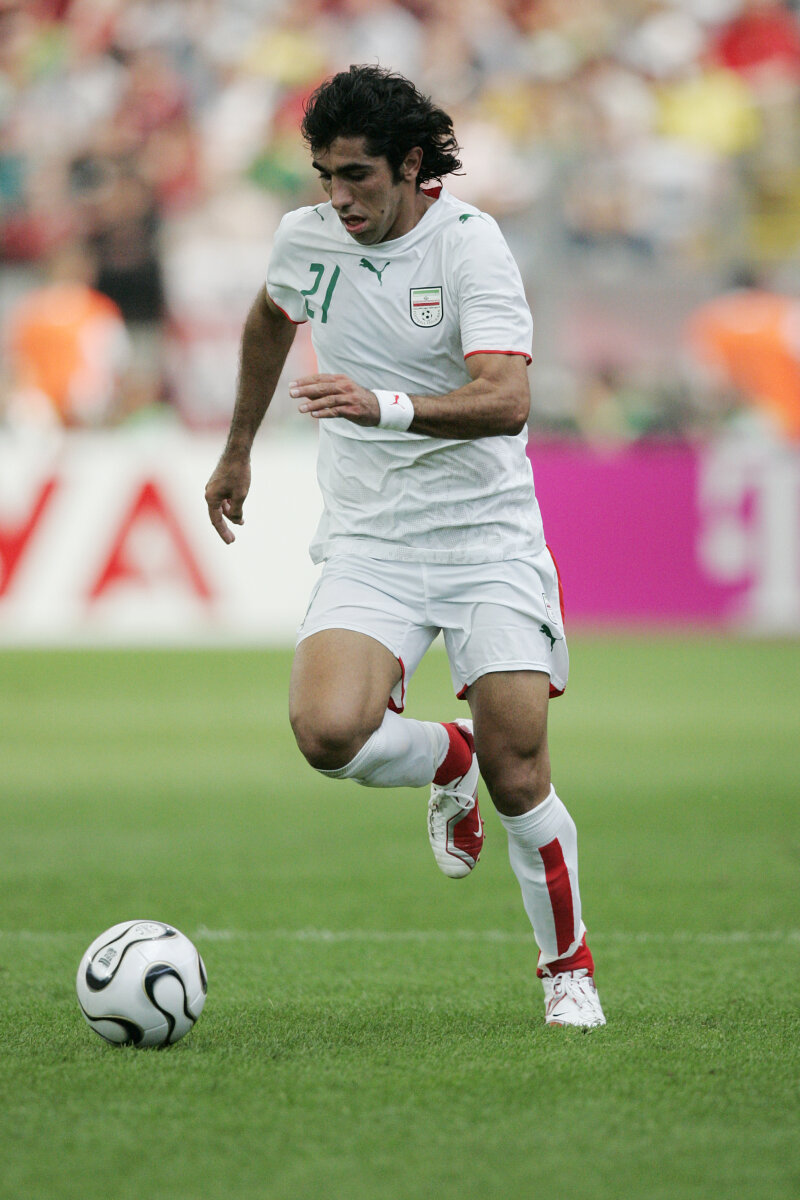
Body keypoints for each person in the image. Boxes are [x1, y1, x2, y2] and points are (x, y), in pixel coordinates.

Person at [205, 64, 606, 1029]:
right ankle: (442, 757)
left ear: (412, 165)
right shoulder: (306, 239)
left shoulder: (470, 245)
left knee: (520, 771)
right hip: (372, 540)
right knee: (325, 733)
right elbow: (268, 319)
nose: (338, 198)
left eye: (357, 176)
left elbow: (506, 399)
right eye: (324, 176)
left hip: (486, 542)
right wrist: (238, 446)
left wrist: (378, 405)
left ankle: (567, 968)